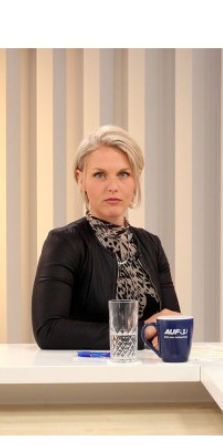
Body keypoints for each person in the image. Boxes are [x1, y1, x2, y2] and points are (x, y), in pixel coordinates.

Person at [32, 125, 180, 350]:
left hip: (147, 369)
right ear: (80, 179)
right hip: (86, 370)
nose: (113, 186)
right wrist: (141, 333)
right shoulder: (64, 242)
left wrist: (161, 331)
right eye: (99, 175)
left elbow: (172, 322)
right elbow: (48, 330)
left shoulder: (151, 244)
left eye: (123, 174)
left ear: (136, 179)